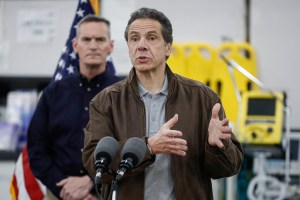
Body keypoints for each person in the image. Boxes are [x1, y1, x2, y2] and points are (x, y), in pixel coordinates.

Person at [82, 7, 244, 200]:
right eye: (134, 39)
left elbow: (229, 168)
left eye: (151, 38)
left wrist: (216, 146)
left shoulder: (202, 98)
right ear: (128, 48)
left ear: (168, 47)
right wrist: (148, 148)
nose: (141, 45)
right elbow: (95, 166)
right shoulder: (106, 101)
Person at [27, 15, 121, 200]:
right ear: (75, 45)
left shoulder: (124, 93)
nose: (93, 45)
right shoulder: (53, 93)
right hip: (60, 191)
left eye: (100, 39)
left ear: (110, 46)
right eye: (86, 39)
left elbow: (131, 145)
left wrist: (91, 181)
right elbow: (36, 148)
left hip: (108, 192)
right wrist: (64, 189)